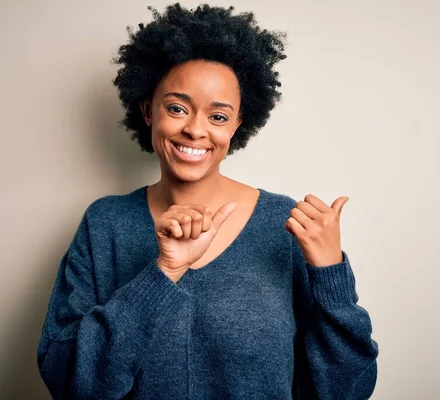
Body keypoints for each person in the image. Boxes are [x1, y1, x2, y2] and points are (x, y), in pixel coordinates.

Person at [37, 3, 378, 399]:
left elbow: (345, 391)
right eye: (178, 108)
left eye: (218, 116)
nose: (195, 130)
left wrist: (330, 275)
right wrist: (162, 273)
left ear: (238, 124)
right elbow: (66, 380)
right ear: (149, 111)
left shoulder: (285, 225)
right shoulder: (106, 224)